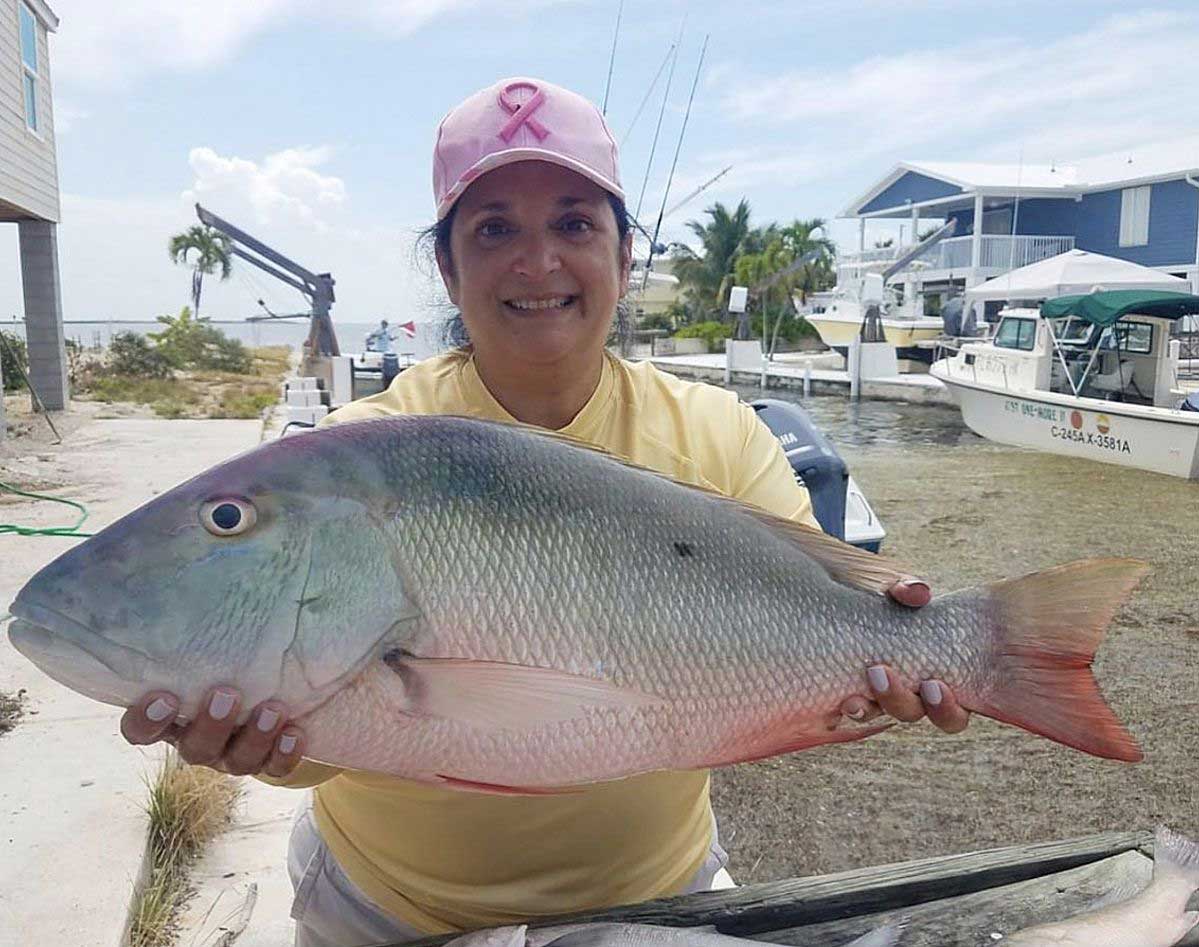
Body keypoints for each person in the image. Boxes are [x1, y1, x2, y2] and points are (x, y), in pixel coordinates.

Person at [121, 77, 969, 947]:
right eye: (494, 229)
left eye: (573, 224)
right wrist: (264, 749)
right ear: (447, 268)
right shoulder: (358, 457)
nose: (538, 263)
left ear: (623, 256)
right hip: (386, 915)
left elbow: (814, 610)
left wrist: (892, 653)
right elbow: (346, 723)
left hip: (660, 901)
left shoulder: (718, 437)